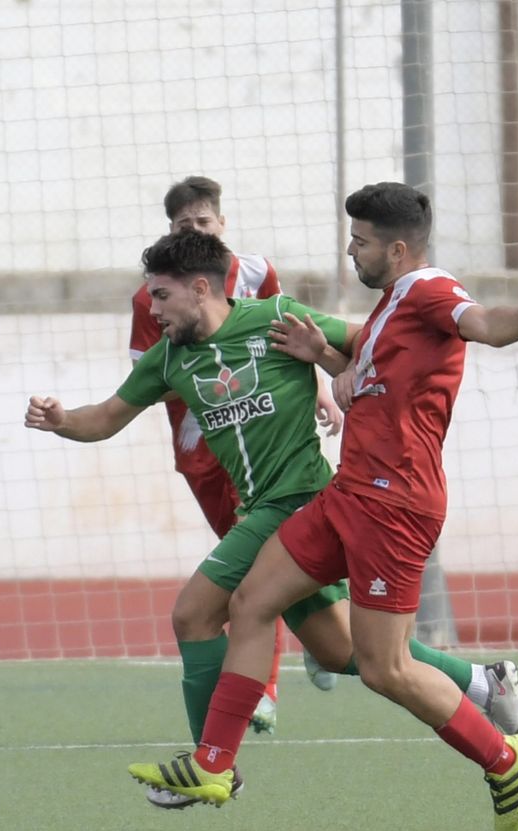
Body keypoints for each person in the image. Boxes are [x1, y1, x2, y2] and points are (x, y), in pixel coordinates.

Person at [127, 182, 518, 831]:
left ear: (397, 249)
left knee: (383, 668)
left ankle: (501, 755)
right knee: (251, 603)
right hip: (347, 493)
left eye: (361, 243)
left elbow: (485, 325)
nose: (352, 253)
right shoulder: (384, 313)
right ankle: (213, 764)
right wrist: (326, 361)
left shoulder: (429, 288)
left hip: (394, 507)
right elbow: (375, 379)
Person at [28, 229, 518, 806]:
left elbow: (377, 342)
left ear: (199, 289)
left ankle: (211, 762)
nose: (152, 309)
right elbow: (108, 416)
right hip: (265, 507)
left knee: (195, 614)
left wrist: (332, 364)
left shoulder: (276, 318)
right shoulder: (170, 359)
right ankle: (480, 684)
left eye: (161, 297)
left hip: (304, 499)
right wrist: (62, 419)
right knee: (343, 652)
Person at [128, 176, 345, 752]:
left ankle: (253, 698)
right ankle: (316, 649)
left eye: (203, 222)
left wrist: (323, 383)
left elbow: (289, 343)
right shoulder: (153, 300)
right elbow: (142, 377)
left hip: (282, 465)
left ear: (221, 225)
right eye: (183, 224)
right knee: (255, 571)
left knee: (234, 583)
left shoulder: (259, 281)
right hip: (208, 446)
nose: (194, 229)